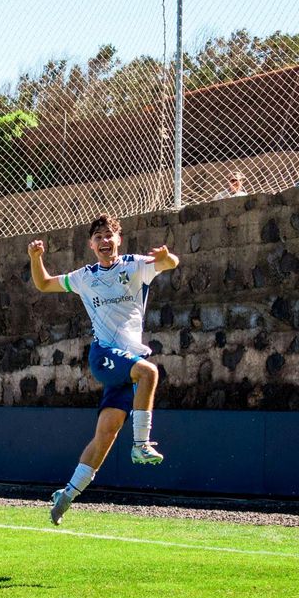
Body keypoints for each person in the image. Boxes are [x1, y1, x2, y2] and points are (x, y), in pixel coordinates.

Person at [27, 214, 179, 526]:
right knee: (149, 373)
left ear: (118, 240)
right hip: (105, 355)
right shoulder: (84, 277)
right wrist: (35, 258)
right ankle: (140, 446)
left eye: (109, 235)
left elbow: (170, 264)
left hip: (126, 361)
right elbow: (43, 283)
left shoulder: (135, 265)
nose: (104, 241)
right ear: (91, 245)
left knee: (106, 435)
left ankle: (66, 495)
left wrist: (167, 258)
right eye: (98, 237)